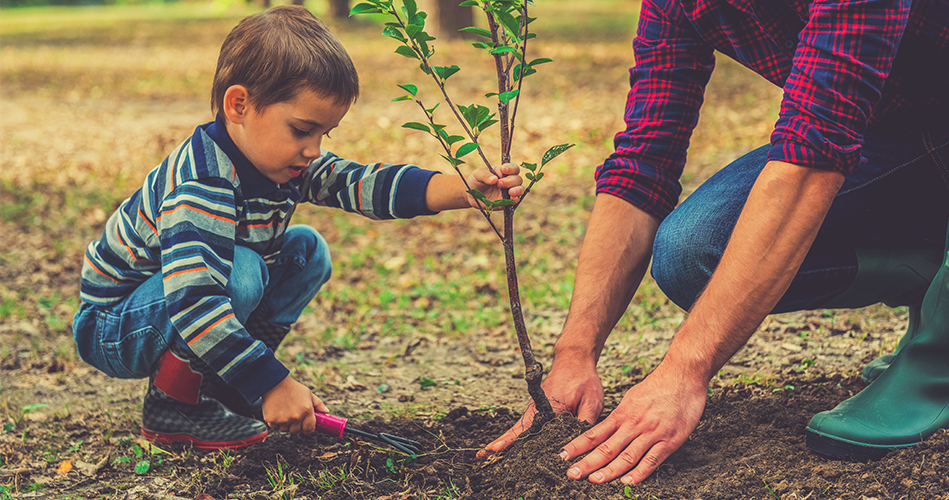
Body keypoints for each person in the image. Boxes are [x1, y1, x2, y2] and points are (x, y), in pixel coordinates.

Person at [479, 0, 949, 485]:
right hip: (893, 129)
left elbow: (812, 158)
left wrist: (685, 371)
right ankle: (934, 275)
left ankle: (939, 361)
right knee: (695, 250)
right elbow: (644, 160)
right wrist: (575, 351)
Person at [72, 5, 524, 450]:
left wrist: (461, 189)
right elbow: (194, 302)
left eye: (324, 134)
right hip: (115, 324)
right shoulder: (202, 183)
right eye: (302, 130)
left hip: (173, 306)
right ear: (239, 104)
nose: (313, 149)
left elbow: (359, 182)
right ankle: (175, 405)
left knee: (306, 250)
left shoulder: (281, 162)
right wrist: (273, 384)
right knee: (242, 270)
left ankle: (227, 387)